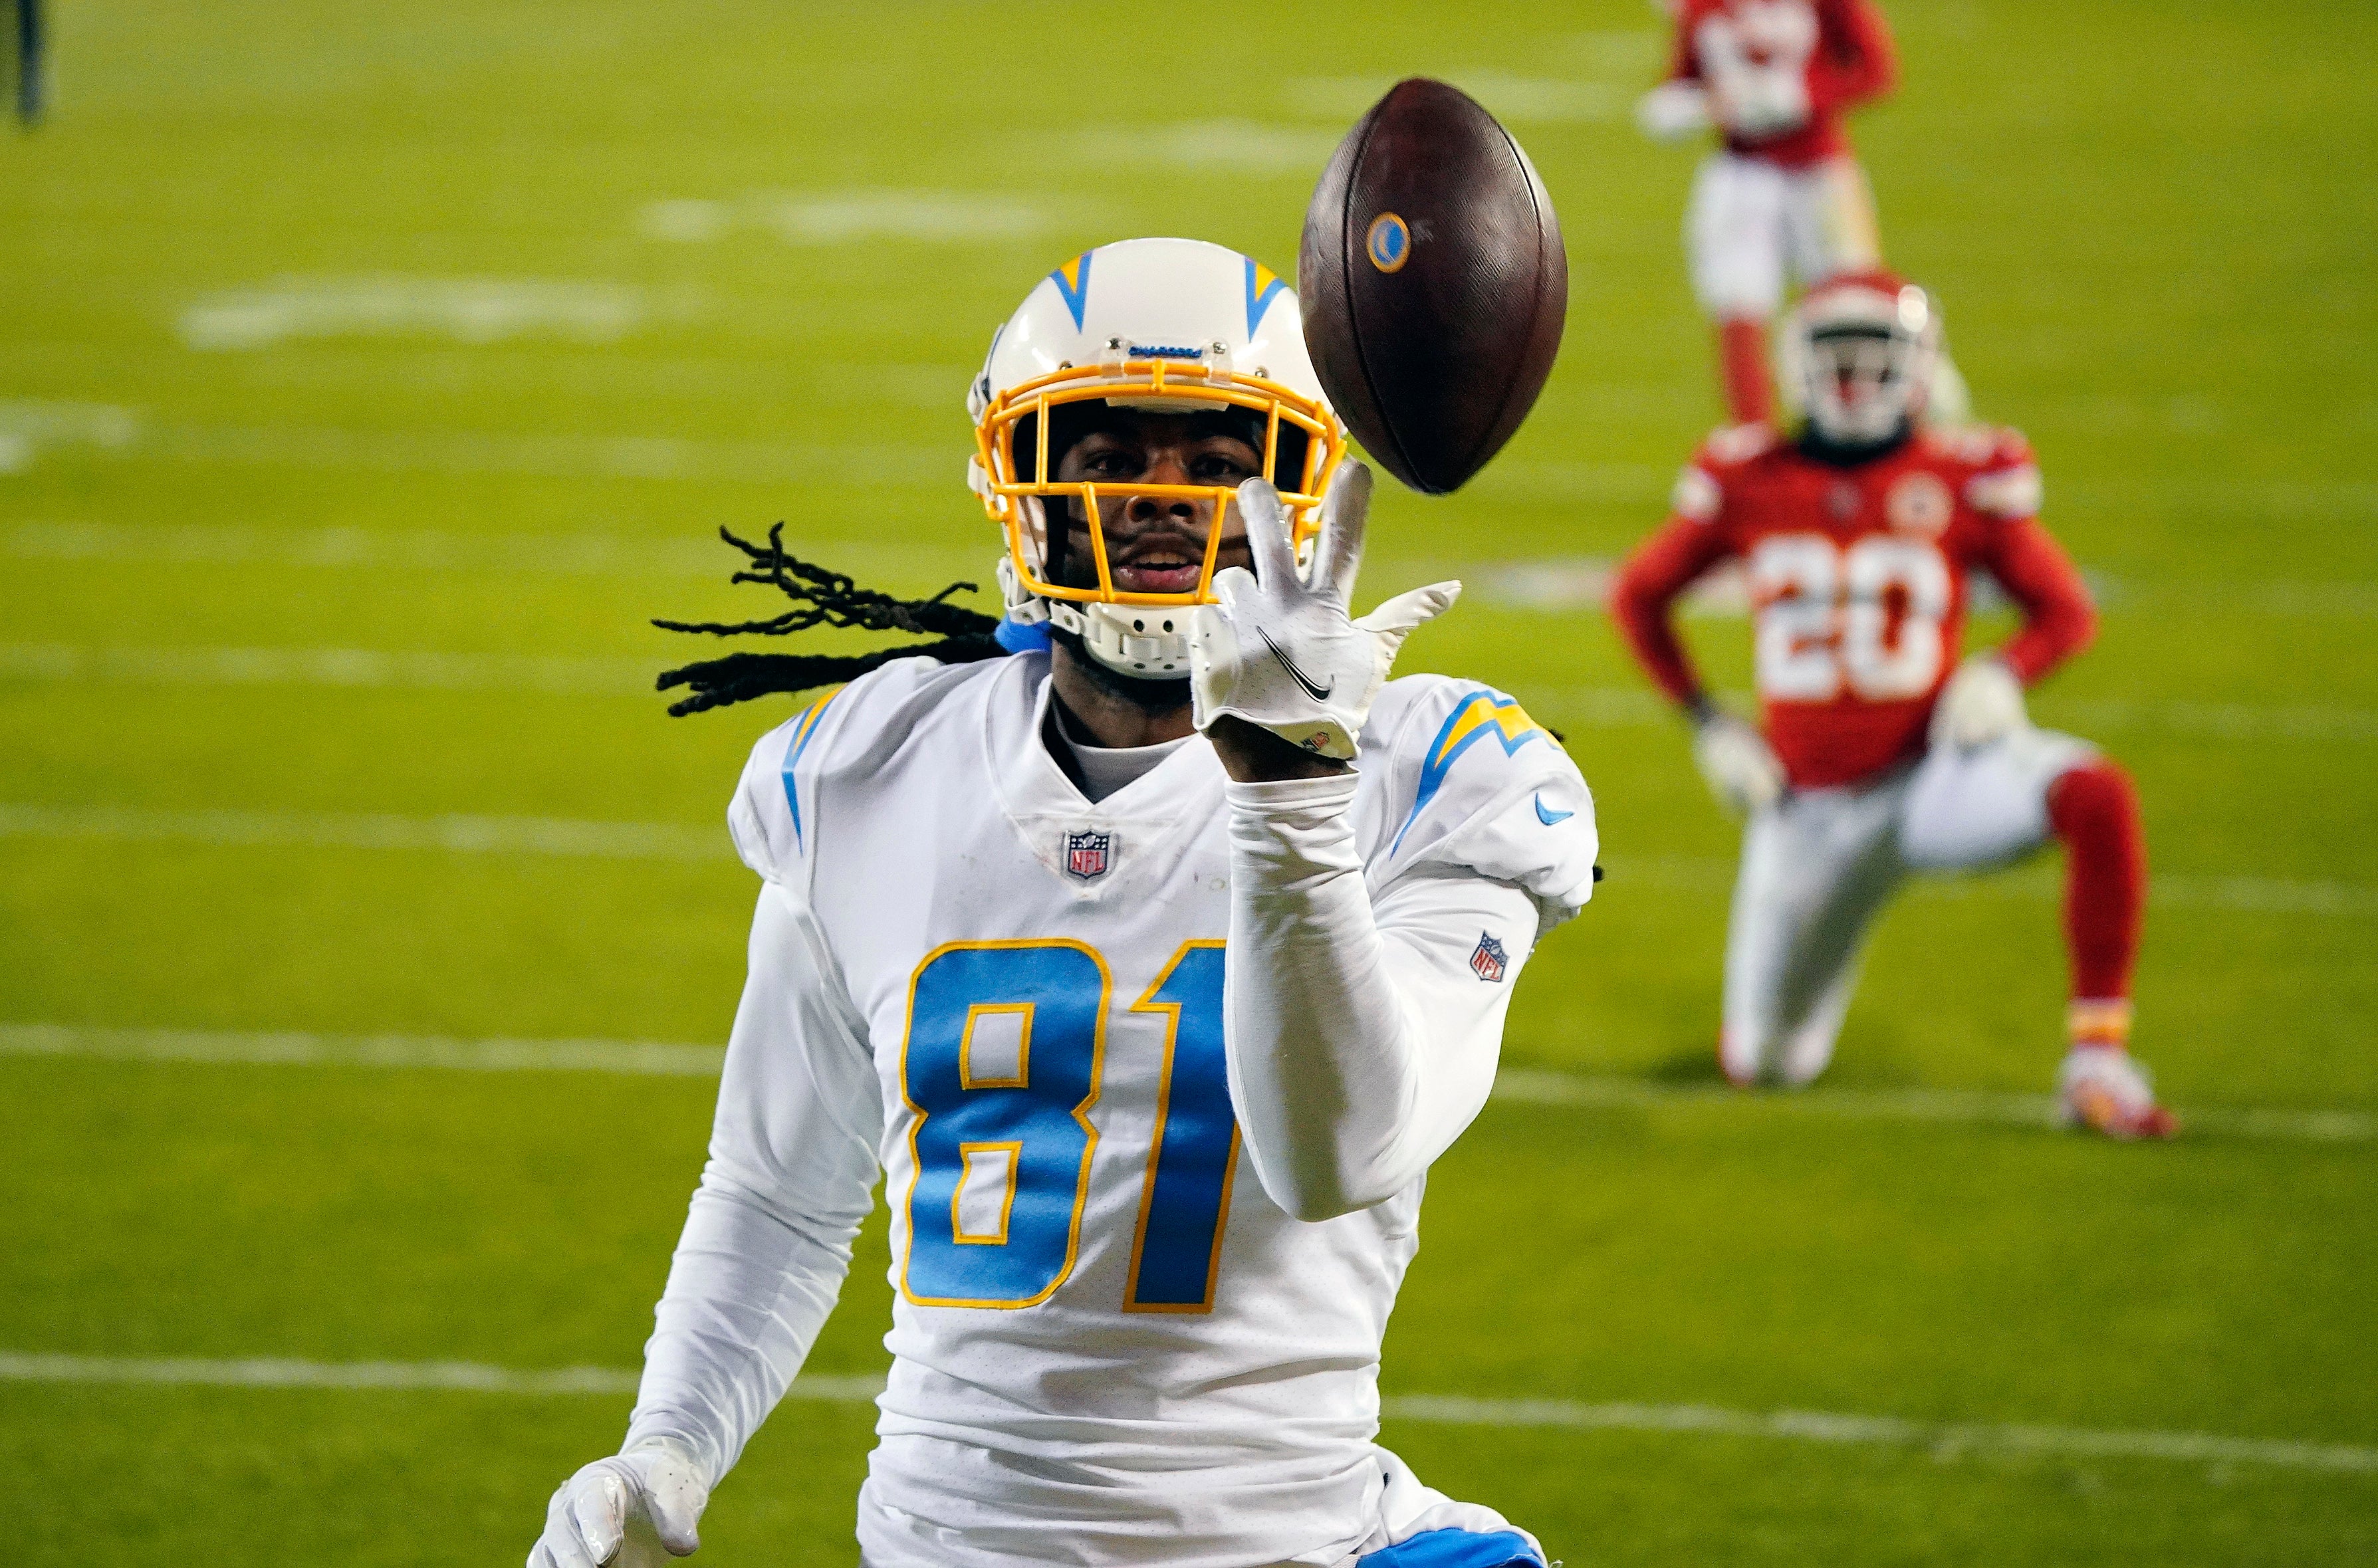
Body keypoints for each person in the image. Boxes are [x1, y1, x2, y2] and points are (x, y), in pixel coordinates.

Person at [527, 237, 1599, 1568]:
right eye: (1111, 454)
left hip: (1296, 1531)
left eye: (1221, 463)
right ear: (1011, 479)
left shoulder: (1429, 770)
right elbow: (780, 1188)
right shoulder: (870, 767)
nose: (1166, 500)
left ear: (1308, 494)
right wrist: (667, 1451)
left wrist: (1292, 803)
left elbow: (1345, 1154)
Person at [1608, 270, 2173, 1137]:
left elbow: (2065, 610)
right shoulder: (1748, 474)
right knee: (1766, 1063)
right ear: (1798, 364)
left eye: (1878, 359)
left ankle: (2096, 1060)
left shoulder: (1961, 472)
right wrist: (1710, 725)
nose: (1856, 380)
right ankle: (1795, 1008)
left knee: (2097, 794)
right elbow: (1638, 596)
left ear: (1922, 367)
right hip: (1805, 807)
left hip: (1933, 775)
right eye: (1837, 357)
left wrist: (2001, 672)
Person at [1636, 0, 1913, 427]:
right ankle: (1752, 442)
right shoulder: (1702, 7)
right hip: (1740, 174)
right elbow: (1687, 81)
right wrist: (1690, 106)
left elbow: (1876, 71)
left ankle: (1866, 437)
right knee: (1738, 308)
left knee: (1856, 310)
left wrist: (1804, 95)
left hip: (1821, 173)